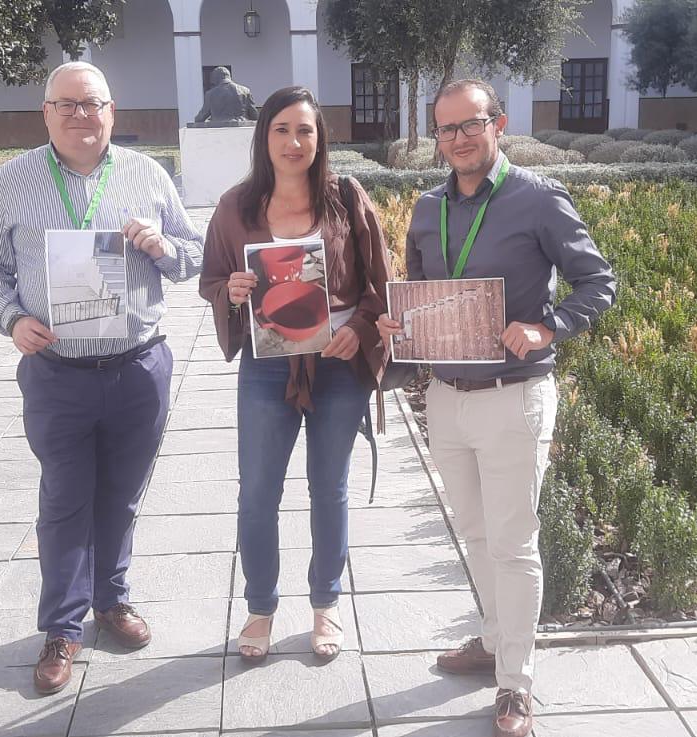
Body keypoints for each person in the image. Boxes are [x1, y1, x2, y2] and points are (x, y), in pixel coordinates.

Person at [376, 79, 616, 737]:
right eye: (445, 128)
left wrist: (549, 326)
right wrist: (401, 326)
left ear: (498, 124)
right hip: (446, 398)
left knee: (512, 544)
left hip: (515, 397)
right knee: (476, 536)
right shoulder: (428, 207)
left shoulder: (538, 198)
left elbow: (599, 281)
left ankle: (516, 684)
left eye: (470, 124)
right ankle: (491, 641)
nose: (457, 139)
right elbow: (421, 290)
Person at [0, 61, 204, 696]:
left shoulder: (147, 174)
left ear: (111, 112)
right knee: (65, 500)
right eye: (65, 105)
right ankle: (62, 628)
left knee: (121, 495)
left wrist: (162, 246)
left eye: (91, 103)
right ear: (45, 114)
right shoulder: (13, 180)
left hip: (138, 368)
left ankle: (112, 600)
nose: (80, 115)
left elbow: (195, 256)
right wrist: (12, 319)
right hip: (57, 374)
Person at [198, 86, 390, 664]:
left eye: (304, 130)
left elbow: (380, 281)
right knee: (258, 491)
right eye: (281, 129)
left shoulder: (346, 198)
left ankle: (325, 602)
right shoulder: (235, 207)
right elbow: (211, 280)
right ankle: (260, 606)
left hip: (338, 363)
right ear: (264, 137)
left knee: (329, 488)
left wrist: (361, 327)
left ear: (319, 137)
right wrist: (232, 292)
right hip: (267, 365)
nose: (293, 141)